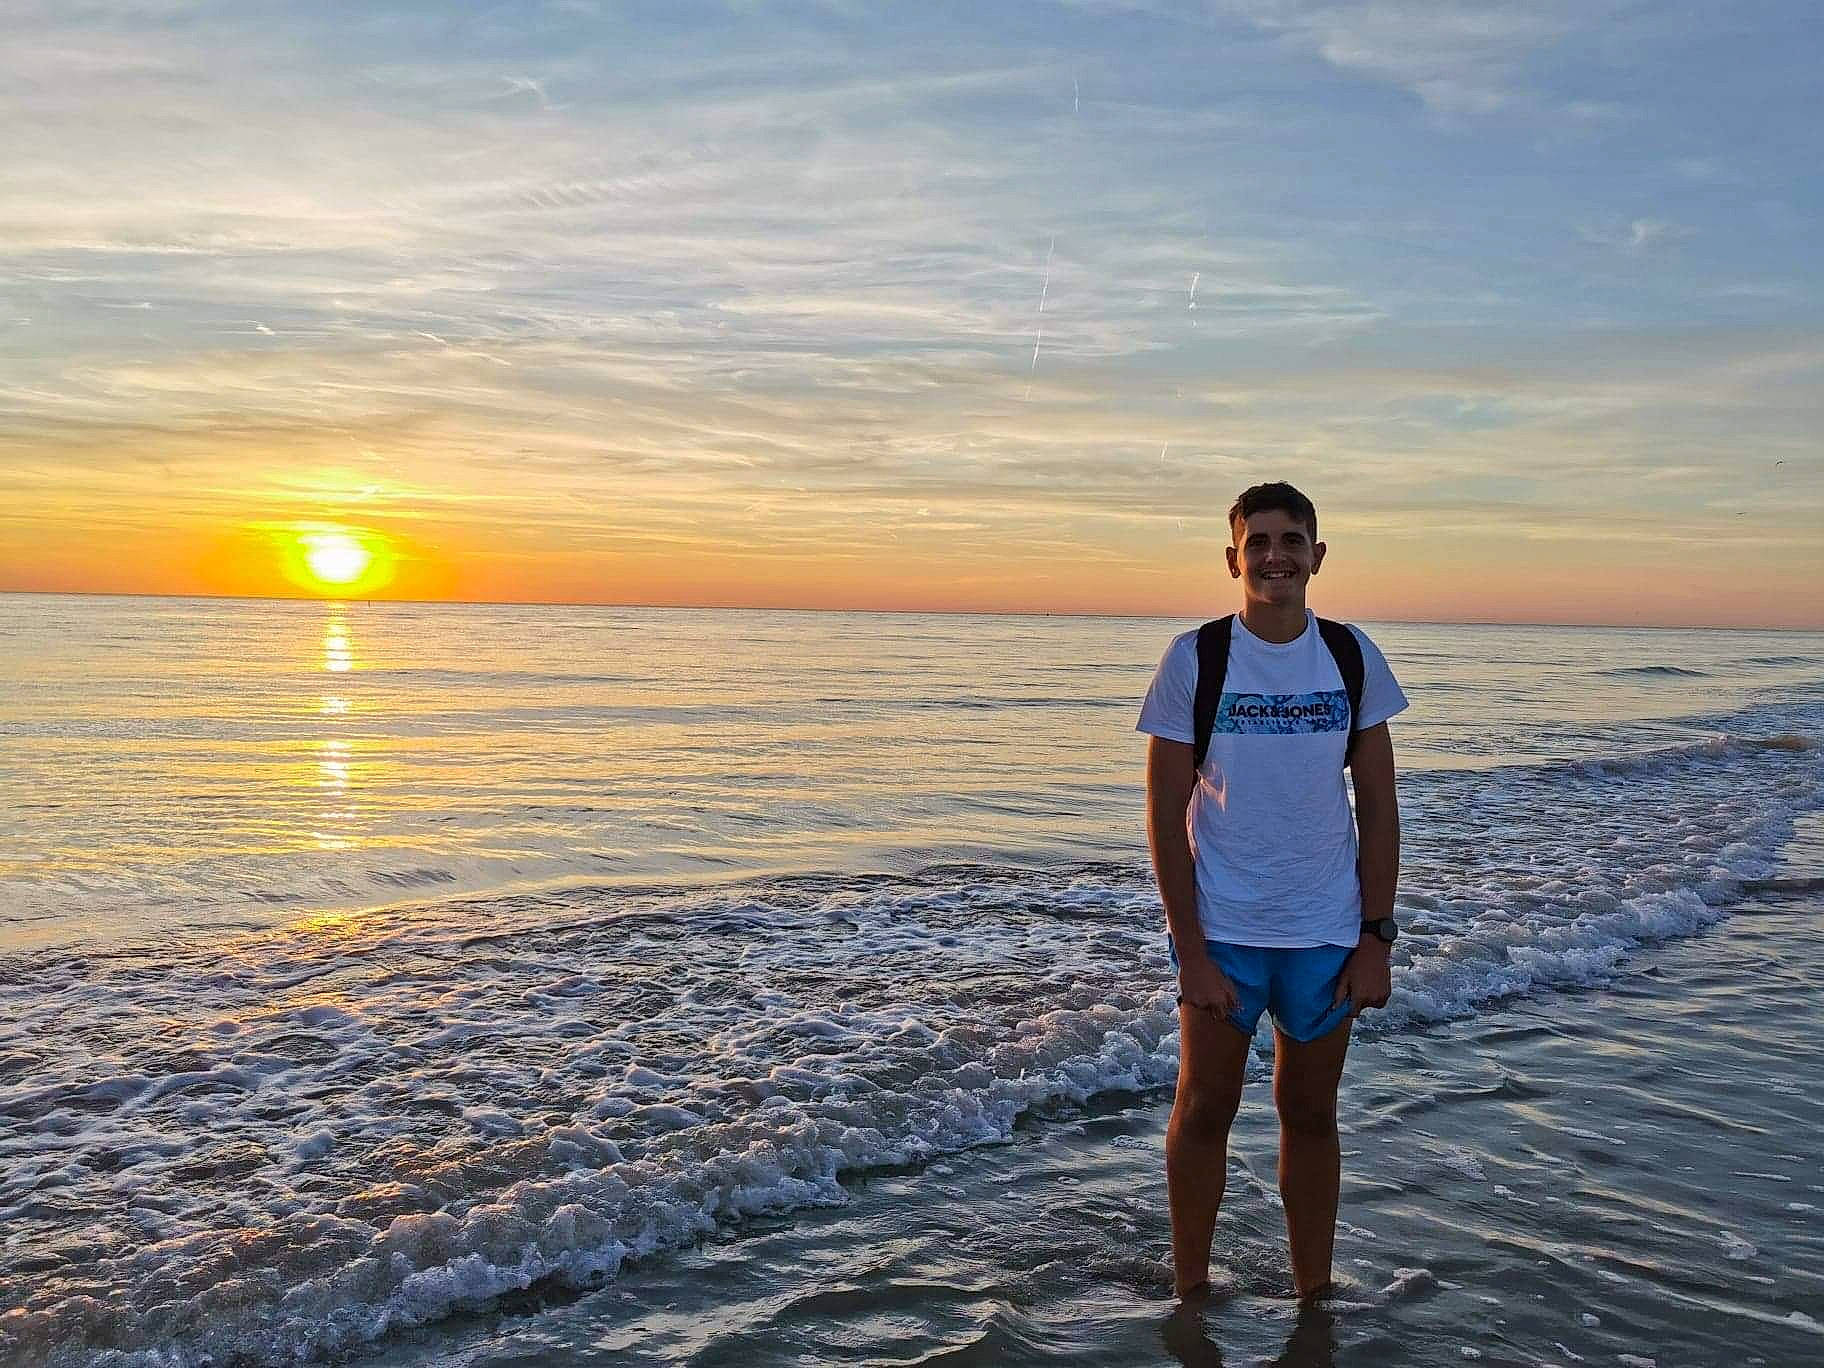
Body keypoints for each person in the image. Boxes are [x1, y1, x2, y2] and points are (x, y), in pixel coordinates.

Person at [1136, 481, 1407, 1301]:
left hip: (1325, 934)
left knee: (1313, 1115)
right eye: (1257, 542)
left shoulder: (1350, 656)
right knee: (1203, 1109)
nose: (1274, 556)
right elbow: (1164, 815)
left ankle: (1313, 1298)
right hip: (1224, 931)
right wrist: (1189, 951)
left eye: (1291, 540)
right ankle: (1190, 1293)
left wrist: (1376, 937)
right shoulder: (1196, 658)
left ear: (1316, 556)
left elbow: (1380, 806)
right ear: (1233, 559)